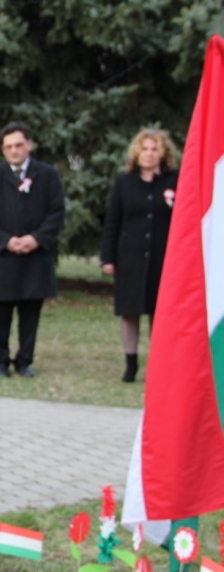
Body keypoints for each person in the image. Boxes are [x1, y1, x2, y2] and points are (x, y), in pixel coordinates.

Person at [0, 121, 66, 378]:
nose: (13, 151)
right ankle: (0, 361)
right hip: (4, 257)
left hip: (35, 256)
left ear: (29, 145)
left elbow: (57, 212)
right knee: (1, 314)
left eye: (18, 145)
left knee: (30, 312)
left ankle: (25, 361)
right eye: (8, 147)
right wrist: (6, 240)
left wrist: (36, 239)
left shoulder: (47, 175)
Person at [99, 128, 179, 383]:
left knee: (160, 313)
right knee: (130, 311)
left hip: (163, 259)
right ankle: (130, 365)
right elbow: (112, 222)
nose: (149, 154)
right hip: (130, 259)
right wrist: (108, 258)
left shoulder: (175, 181)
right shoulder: (125, 183)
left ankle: (159, 365)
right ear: (136, 152)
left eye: (155, 149)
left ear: (163, 153)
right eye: (144, 149)